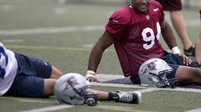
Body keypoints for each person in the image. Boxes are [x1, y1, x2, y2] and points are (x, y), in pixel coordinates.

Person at [0, 41, 140, 104]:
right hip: (11, 82)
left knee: (64, 77)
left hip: (16, 59)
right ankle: (116, 96)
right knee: (64, 86)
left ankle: (87, 88)